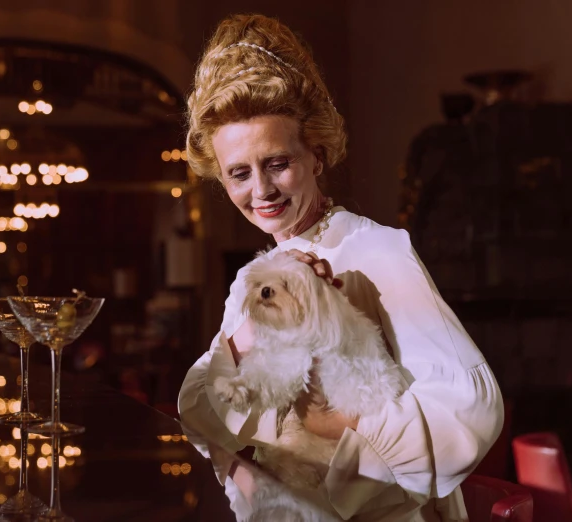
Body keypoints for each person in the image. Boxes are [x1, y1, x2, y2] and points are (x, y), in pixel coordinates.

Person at [178, 13, 504, 522]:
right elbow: (198, 417)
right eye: (239, 173)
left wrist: (336, 417)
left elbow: (471, 412)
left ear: (317, 156)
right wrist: (245, 339)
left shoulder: (376, 251)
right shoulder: (252, 279)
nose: (260, 191)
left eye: (278, 163)